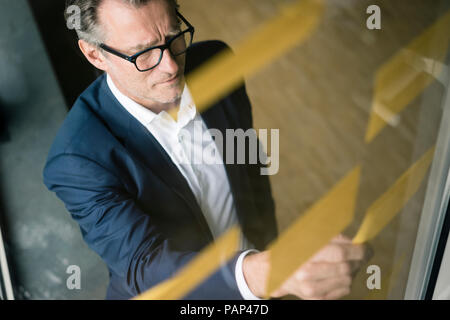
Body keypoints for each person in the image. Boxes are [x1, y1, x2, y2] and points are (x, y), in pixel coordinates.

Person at [43, 0, 368, 300]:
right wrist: (263, 273)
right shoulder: (76, 160)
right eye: (143, 53)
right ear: (94, 55)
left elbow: (249, 166)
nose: (170, 66)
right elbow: (145, 265)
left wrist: (265, 248)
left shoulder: (216, 61)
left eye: (173, 38)